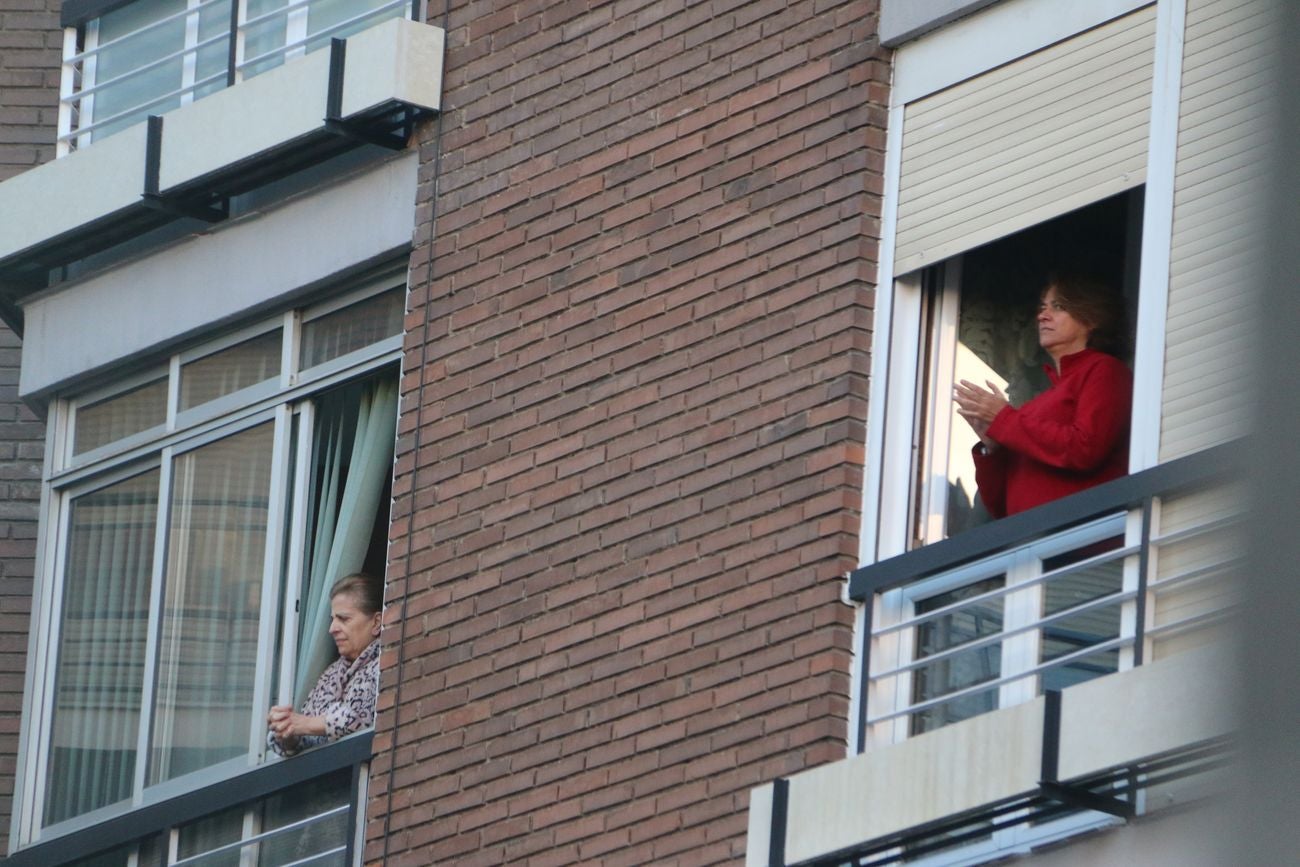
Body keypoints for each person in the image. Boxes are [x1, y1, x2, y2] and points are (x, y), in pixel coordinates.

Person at [953, 275, 1132, 519]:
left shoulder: (1105, 370)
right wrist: (992, 448)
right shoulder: (1035, 407)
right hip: (1029, 543)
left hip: (1081, 539)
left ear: (1092, 318)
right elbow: (999, 506)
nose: (1042, 315)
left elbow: (1085, 449)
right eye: (1042, 307)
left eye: (1058, 306)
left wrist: (1003, 419)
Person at [267, 573, 382, 757]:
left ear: (376, 623)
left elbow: (359, 719)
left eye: (343, 619)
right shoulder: (331, 675)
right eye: (333, 619)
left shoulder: (385, 665)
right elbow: (304, 735)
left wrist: (303, 724)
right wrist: (287, 732)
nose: (332, 628)